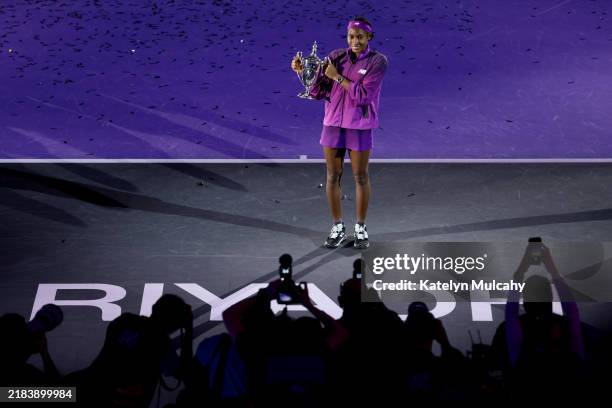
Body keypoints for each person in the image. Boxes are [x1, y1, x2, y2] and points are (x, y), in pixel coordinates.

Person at [291, 16, 388, 249]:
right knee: (332, 176)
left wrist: (336, 76)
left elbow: (363, 95)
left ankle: (361, 228)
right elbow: (320, 92)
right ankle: (337, 226)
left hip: (360, 126)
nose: (355, 41)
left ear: (369, 38)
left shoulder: (378, 62)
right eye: (351, 37)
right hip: (333, 123)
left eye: (360, 37)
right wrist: (304, 74)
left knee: (360, 176)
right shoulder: (335, 57)